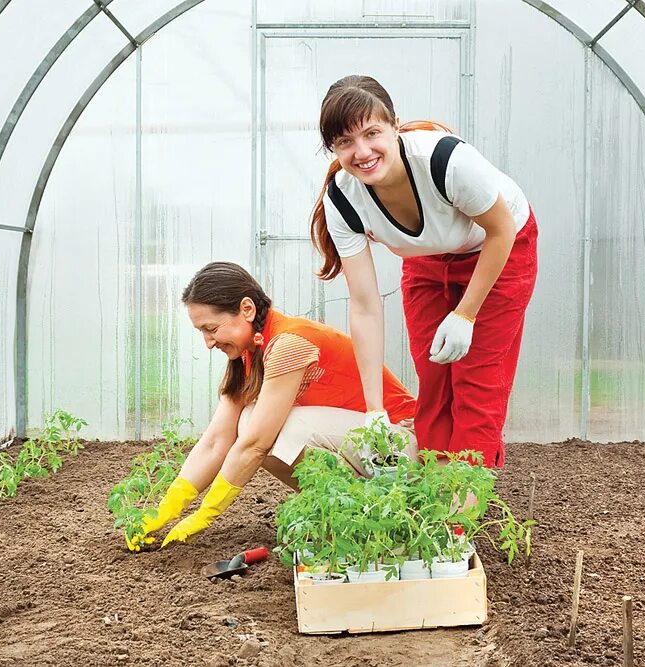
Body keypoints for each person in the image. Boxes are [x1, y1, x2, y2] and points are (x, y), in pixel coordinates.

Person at [310, 74, 538, 470]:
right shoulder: (343, 198)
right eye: (344, 142)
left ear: (395, 125)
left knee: (476, 383)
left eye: (372, 133)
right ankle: (435, 490)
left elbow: (501, 229)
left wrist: (466, 314)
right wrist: (374, 409)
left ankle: (459, 517)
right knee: (433, 379)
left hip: (499, 247)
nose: (361, 152)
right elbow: (364, 307)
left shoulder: (445, 161)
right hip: (427, 259)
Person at [126, 261, 417, 550]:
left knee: (272, 429)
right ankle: (350, 512)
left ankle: (363, 510)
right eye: (202, 331)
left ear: (247, 309)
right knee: (250, 420)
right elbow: (217, 440)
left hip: (398, 444)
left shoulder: (290, 343)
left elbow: (255, 444)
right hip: (363, 446)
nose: (208, 342)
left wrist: (205, 514)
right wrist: (165, 509)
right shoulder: (248, 354)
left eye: (211, 328)